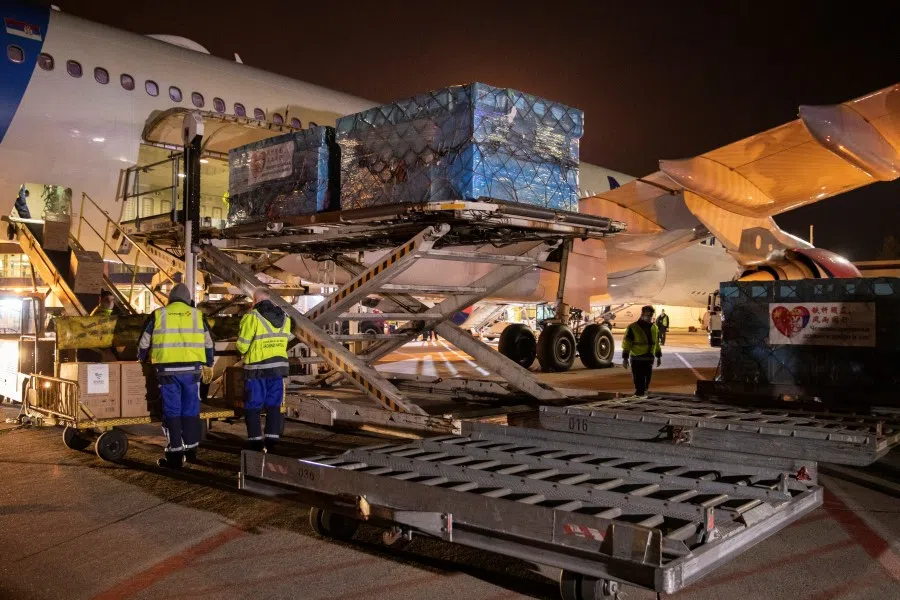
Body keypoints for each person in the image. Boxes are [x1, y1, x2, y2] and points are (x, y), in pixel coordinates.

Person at [137, 283, 213, 469]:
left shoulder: (158, 314)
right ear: (189, 300)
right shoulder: (197, 316)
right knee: (190, 410)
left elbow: (144, 342)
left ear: (170, 298)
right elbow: (209, 343)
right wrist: (208, 363)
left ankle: (175, 455)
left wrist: (141, 358)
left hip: (168, 372)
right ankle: (191, 450)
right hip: (192, 373)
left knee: (172, 412)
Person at [236, 289, 291, 452]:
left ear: (254, 301)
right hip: (278, 369)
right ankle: (272, 441)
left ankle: (255, 442)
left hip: (257, 370)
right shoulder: (285, 317)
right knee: (274, 405)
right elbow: (285, 340)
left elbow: (242, 345)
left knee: (253, 405)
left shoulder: (251, 317)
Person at [621, 305, 662, 396]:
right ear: (642, 314)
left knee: (647, 381)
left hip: (649, 359)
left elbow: (656, 344)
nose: (650, 318)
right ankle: (638, 397)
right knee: (639, 382)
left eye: (651, 316)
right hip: (637, 358)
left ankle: (642, 394)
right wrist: (625, 358)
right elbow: (627, 344)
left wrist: (658, 356)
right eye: (648, 316)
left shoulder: (654, 328)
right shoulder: (633, 327)